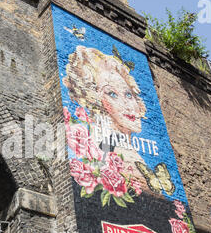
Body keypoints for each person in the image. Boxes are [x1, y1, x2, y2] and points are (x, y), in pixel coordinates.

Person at [62, 45, 152, 202]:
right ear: (97, 101)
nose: (128, 105)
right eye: (112, 94)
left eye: (128, 94)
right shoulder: (113, 153)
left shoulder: (125, 150)